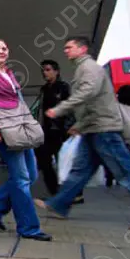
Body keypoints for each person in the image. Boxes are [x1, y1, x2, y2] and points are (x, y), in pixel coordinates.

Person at [37, 37, 130, 231]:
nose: (65, 50)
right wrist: (80, 125)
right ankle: (59, 204)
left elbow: (87, 93)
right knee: (79, 171)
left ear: (82, 49)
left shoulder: (88, 68)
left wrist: (60, 109)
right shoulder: (84, 68)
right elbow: (92, 104)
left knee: (127, 174)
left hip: (103, 130)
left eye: (69, 47)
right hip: (93, 129)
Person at [0, 38, 51, 241]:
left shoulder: (7, 72)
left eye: (4, 48)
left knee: (30, 175)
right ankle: (29, 228)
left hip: (19, 129)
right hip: (4, 131)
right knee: (22, 178)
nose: (1, 51)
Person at [37, 59, 72, 198]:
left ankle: (70, 193)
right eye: (43, 70)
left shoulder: (63, 87)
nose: (45, 73)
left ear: (56, 71)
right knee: (44, 161)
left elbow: (70, 108)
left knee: (62, 162)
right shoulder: (44, 89)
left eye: (48, 69)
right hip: (47, 131)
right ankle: (55, 191)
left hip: (61, 130)